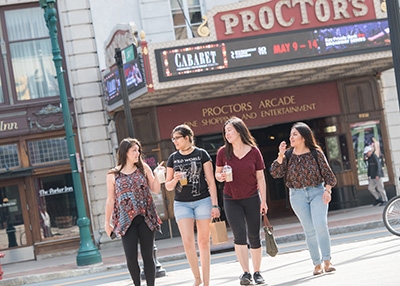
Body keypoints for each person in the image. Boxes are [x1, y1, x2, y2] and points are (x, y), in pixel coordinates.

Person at [270, 122, 337, 276]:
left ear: (304, 137)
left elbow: (329, 175)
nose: (291, 137)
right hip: (297, 195)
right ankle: (317, 264)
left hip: (317, 192)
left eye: (295, 134)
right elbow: (275, 173)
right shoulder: (287, 155)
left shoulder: (316, 153)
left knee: (320, 224)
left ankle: (327, 260)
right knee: (309, 230)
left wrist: (327, 190)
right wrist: (280, 155)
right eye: (290, 134)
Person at [165, 124, 219, 286]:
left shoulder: (201, 154)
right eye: (173, 139)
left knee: (203, 241)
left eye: (177, 138)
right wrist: (175, 179)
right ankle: (197, 279)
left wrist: (215, 205)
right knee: (188, 242)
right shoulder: (173, 158)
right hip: (182, 203)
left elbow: (211, 181)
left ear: (187, 138)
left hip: (203, 200)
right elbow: (168, 186)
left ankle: (207, 282)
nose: (174, 141)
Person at [215, 117, 267, 285]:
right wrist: (220, 176)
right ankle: (246, 273)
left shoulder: (254, 151)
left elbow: (260, 177)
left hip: (252, 198)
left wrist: (264, 201)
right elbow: (217, 173)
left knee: (254, 236)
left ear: (239, 130)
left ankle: (257, 272)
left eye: (229, 130)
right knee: (239, 236)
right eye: (225, 131)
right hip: (231, 199)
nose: (227, 134)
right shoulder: (223, 152)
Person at [105, 138, 162, 286]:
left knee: (148, 256)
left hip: (146, 217)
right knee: (130, 257)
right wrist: (107, 222)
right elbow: (110, 200)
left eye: (138, 150)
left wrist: (157, 176)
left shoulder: (144, 168)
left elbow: (155, 189)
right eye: (134, 150)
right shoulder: (113, 174)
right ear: (125, 152)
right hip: (125, 221)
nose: (138, 153)